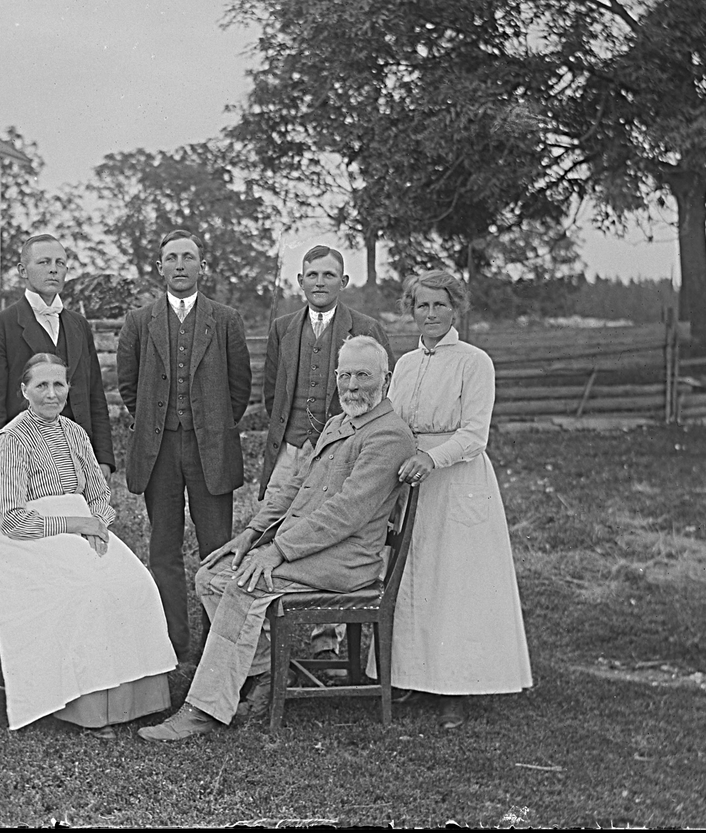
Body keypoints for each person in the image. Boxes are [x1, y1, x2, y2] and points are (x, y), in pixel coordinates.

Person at [137, 337, 415, 742]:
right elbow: (292, 488)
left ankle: (204, 709)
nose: (352, 386)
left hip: (345, 561)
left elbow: (345, 514)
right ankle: (266, 673)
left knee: (245, 585)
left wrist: (277, 551)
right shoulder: (340, 424)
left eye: (363, 376)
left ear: (385, 379)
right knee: (211, 576)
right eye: (345, 376)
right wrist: (250, 536)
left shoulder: (389, 436)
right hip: (310, 551)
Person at [372, 269, 532, 730]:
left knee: (455, 586)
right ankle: (409, 675)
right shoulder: (403, 364)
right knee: (412, 577)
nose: (430, 314)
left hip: (456, 479)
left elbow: (474, 435)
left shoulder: (474, 361)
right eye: (422, 305)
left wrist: (431, 458)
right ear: (411, 310)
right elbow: (394, 422)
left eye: (440, 304)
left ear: (455, 308)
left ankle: (456, 689)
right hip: (412, 482)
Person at [0, 353, 177, 738]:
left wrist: (97, 526)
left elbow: (99, 494)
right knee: (87, 593)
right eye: (41, 385)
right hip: (29, 538)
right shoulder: (9, 440)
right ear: (24, 390)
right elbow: (11, 518)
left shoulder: (75, 433)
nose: (51, 394)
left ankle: (137, 702)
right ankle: (88, 710)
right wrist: (75, 524)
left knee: (135, 583)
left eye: (58, 385)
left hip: (83, 530)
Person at [116, 229, 252, 663]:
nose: (179, 265)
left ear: (202, 268)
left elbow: (239, 388)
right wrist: (160, 423)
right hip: (158, 451)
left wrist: (211, 425)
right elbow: (127, 384)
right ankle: (173, 641)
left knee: (218, 549)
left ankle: (217, 642)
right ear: (160, 268)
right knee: (164, 547)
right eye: (171, 258)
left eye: (188, 257)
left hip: (210, 447)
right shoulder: (140, 321)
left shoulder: (225, 319)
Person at [260, 244, 394, 669]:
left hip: (344, 446)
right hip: (293, 445)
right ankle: (260, 621)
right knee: (274, 517)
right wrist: (289, 434)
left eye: (328, 275)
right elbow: (272, 390)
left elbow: (377, 389)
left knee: (335, 525)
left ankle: (326, 638)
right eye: (312, 275)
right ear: (300, 282)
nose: (319, 283)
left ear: (343, 282)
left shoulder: (364, 326)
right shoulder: (283, 327)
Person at [0, 233, 115, 482]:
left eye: (59, 263)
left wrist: (102, 457)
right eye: (44, 262)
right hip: (25, 457)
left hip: (79, 454)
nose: (53, 270)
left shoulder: (78, 325)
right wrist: (4, 463)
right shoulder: (0, 325)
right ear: (23, 270)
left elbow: (95, 394)